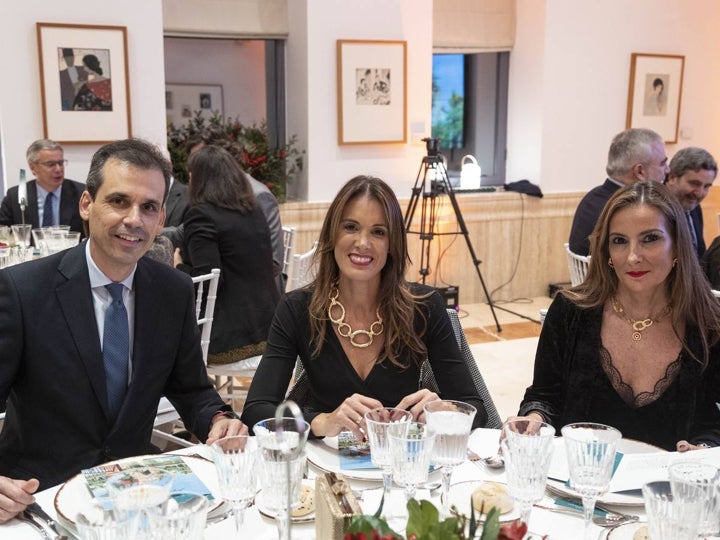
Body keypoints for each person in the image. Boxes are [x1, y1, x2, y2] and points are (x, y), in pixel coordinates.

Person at [0, 138, 245, 522]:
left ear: (161, 218)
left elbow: (190, 388)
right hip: (39, 497)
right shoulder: (22, 291)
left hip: (135, 492)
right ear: (86, 205)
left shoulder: (172, 290)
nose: (135, 219)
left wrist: (217, 419)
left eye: (148, 207)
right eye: (119, 201)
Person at [241, 175, 489, 439]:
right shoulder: (297, 309)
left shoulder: (425, 307)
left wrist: (443, 410)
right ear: (332, 234)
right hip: (326, 473)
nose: (363, 242)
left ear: (393, 244)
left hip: (403, 467)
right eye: (350, 227)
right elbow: (256, 412)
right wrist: (322, 421)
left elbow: (476, 408)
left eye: (378, 232)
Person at [520, 181, 720, 452]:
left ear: (677, 246)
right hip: (579, 483)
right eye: (619, 241)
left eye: (650, 238)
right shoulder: (570, 311)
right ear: (607, 252)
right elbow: (544, 397)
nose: (633, 256)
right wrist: (534, 419)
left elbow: (711, 422)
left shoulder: (708, 324)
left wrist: (705, 449)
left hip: (666, 488)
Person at [174, 145, 279, 364]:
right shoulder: (253, 209)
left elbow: (208, 280)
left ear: (199, 179)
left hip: (227, 339)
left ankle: (189, 395)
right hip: (268, 328)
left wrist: (177, 267)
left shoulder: (200, 215)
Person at [187, 132, 287, 293]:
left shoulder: (256, 198)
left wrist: (178, 266)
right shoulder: (229, 203)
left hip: (248, 297)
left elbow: (274, 262)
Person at [568, 128, 669, 256]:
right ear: (640, 172)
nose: (667, 170)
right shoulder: (628, 208)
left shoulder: (593, 196)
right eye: (662, 164)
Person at [0, 139, 85, 235]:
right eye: (50, 164)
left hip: (69, 249)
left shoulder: (81, 193)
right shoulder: (15, 195)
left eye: (60, 163)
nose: (58, 169)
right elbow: (3, 231)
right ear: (32, 167)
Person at [664, 146, 717, 259]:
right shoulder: (654, 208)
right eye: (695, 184)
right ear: (672, 177)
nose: (699, 193)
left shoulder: (694, 207)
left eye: (706, 186)